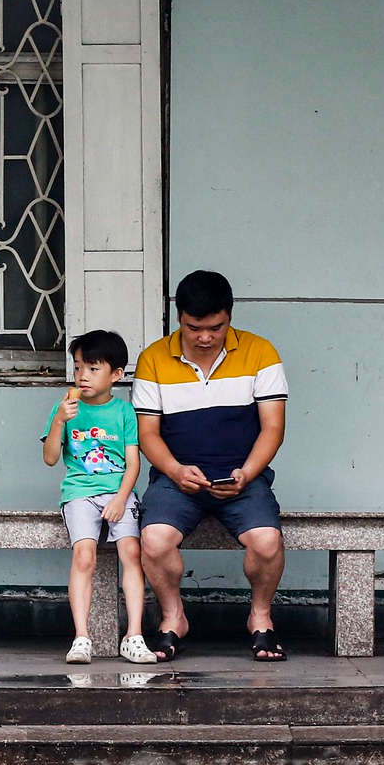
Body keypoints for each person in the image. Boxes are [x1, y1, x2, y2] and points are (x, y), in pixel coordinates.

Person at [133, 270, 290, 663]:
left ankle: (260, 617)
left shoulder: (261, 353)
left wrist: (248, 474)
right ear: (179, 318)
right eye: (194, 328)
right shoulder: (153, 358)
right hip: (176, 479)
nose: (205, 337)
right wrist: (174, 471)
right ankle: (173, 618)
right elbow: (148, 433)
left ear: (230, 316)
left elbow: (273, 427)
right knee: (153, 541)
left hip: (243, 478)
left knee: (267, 542)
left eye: (216, 328)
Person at [43, 330, 157, 665]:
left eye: (93, 369)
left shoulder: (123, 412)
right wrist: (59, 422)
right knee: (84, 557)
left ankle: (133, 635)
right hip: (79, 493)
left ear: (116, 375)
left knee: (131, 553)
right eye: (78, 367)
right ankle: (81, 637)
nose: (82, 376)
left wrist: (122, 499)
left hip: (119, 493)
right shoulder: (65, 408)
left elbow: (133, 463)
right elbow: (51, 458)